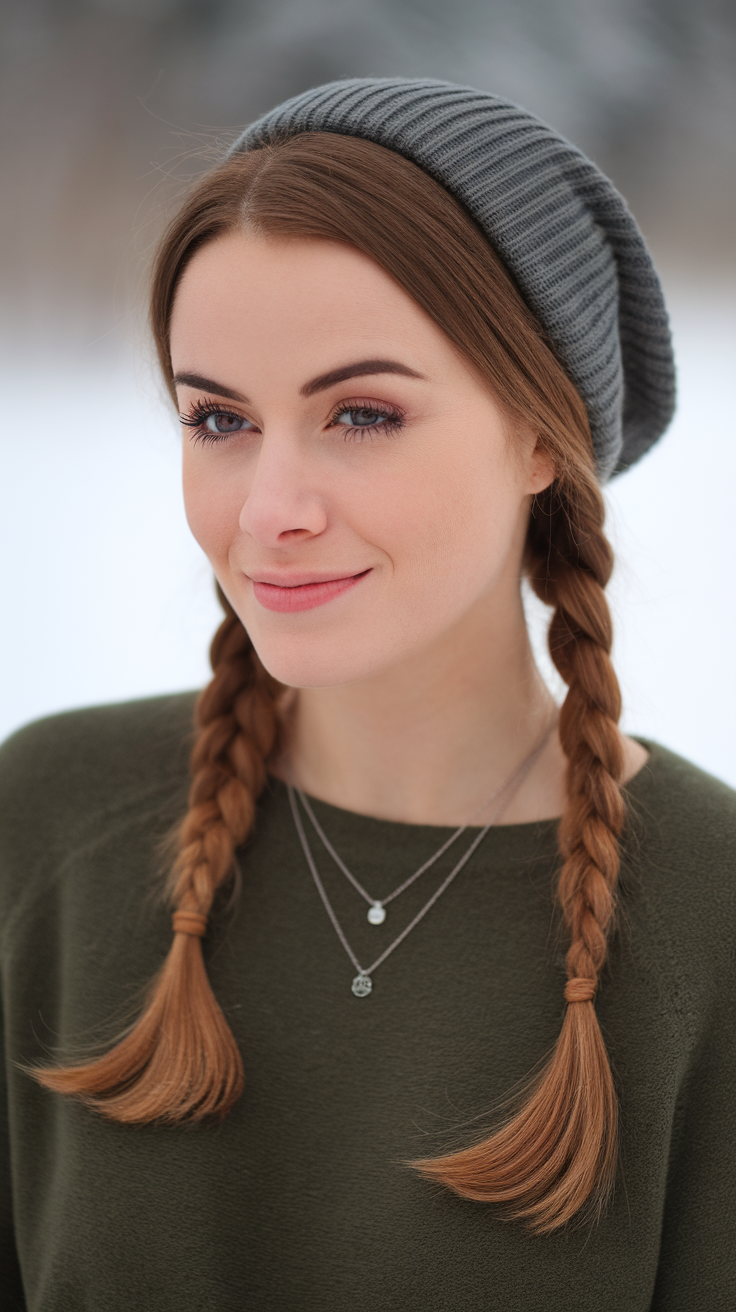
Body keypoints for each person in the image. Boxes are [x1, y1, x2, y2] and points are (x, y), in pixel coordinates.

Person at [1, 77, 734, 1311]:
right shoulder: (49, 823)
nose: (269, 510)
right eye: (220, 418)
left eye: (361, 413)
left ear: (539, 433)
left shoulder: (709, 915)